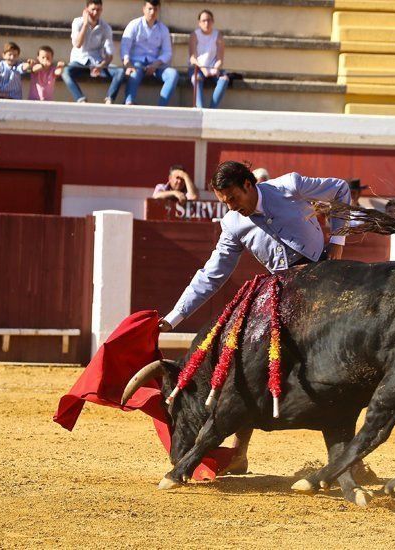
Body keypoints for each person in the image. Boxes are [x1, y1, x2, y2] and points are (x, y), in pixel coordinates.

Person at [158, 161, 351, 474]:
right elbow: (211, 275)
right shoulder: (233, 224)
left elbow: (340, 188)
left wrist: (338, 241)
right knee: (244, 356)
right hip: (285, 292)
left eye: (233, 198)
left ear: (249, 185)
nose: (231, 207)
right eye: (225, 203)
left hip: (327, 277)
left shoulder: (289, 186)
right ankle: (239, 452)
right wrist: (173, 318)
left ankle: (349, 451)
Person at [62, 0, 126, 104]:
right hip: (80, 62)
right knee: (65, 71)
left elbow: (110, 55)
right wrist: (85, 25)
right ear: (86, 10)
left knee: (120, 71)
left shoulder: (106, 28)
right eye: (93, 10)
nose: (95, 13)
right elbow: (77, 44)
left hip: (98, 63)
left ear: (102, 10)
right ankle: (81, 99)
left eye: (98, 10)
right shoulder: (77, 22)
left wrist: (101, 66)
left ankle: (109, 99)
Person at [121, 0, 179, 106]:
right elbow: (125, 46)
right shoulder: (134, 25)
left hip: (155, 65)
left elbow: (168, 52)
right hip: (136, 63)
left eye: (155, 9)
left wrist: (156, 64)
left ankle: (161, 106)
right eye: (150, 9)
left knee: (173, 74)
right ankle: (129, 101)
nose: (152, 12)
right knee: (134, 72)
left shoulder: (163, 29)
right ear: (144, 9)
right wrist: (127, 63)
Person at [189, 10, 229, 109]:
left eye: (209, 20)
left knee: (224, 79)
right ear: (199, 23)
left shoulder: (218, 35)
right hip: (198, 68)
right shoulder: (194, 35)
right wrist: (203, 70)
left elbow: (220, 58)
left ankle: (212, 109)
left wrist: (215, 68)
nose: (206, 23)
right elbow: (192, 58)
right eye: (204, 21)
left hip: (213, 67)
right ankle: (200, 109)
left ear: (213, 21)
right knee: (196, 79)